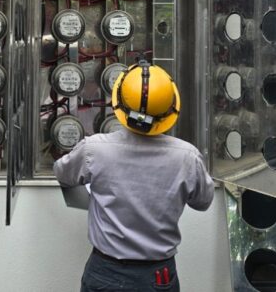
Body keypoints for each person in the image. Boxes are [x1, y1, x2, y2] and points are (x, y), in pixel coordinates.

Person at [54, 60, 214, 292]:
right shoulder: (187, 157)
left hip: (105, 271)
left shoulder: (94, 149)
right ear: (170, 109)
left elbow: (63, 173)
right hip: (159, 275)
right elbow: (203, 202)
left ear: (118, 105)